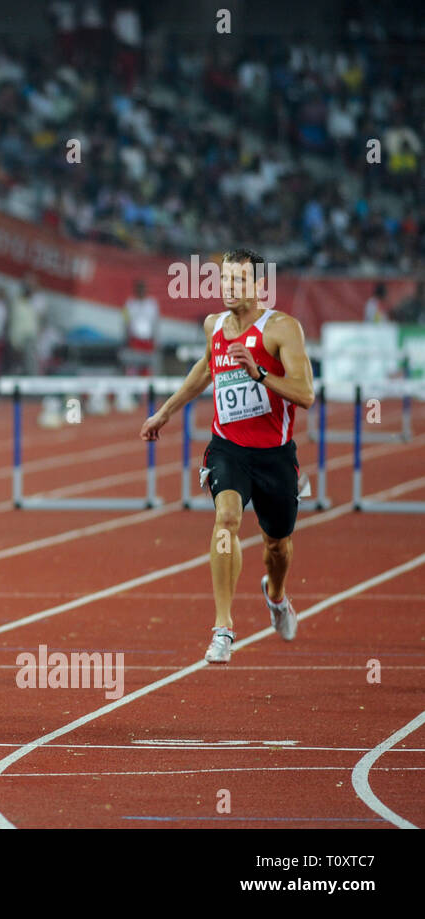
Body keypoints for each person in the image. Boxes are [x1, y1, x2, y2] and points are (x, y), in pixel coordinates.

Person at [140, 249, 315, 664]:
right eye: (225, 280)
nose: (230, 288)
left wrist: (259, 374)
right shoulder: (214, 325)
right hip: (228, 448)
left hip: (274, 455)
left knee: (278, 546)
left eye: (239, 281)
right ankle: (223, 627)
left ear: (258, 286)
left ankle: (275, 597)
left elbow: (305, 394)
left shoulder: (282, 329)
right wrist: (164, 412)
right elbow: (206, 368)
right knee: (227, 519)